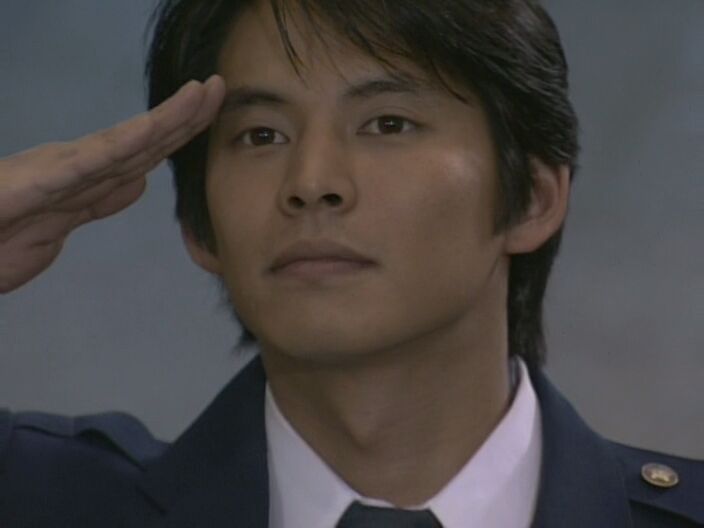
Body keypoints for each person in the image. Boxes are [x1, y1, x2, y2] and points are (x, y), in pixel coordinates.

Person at [0, 0, 701, 526]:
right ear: (198, 225)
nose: (311, 181)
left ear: (532, 200)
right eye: (261, 135)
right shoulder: (41, 502)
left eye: (387, 124)